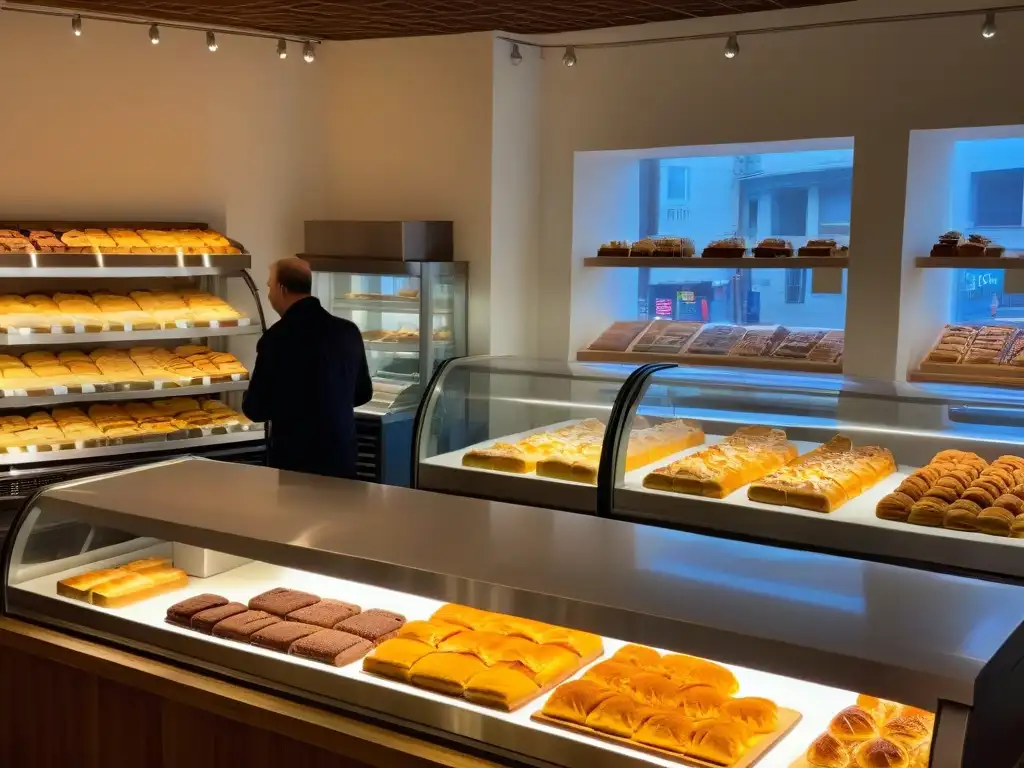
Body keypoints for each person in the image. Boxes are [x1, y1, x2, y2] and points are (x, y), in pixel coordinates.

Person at [243, 257, 372, 479]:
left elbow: (257, 409)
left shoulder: (277, 338)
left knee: (299, 513)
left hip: (297, 459)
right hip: (341, 454)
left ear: (282, 289)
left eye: (269, 286)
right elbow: (363, 393)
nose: (269, 293)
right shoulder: (348, 331)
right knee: (342, 512)